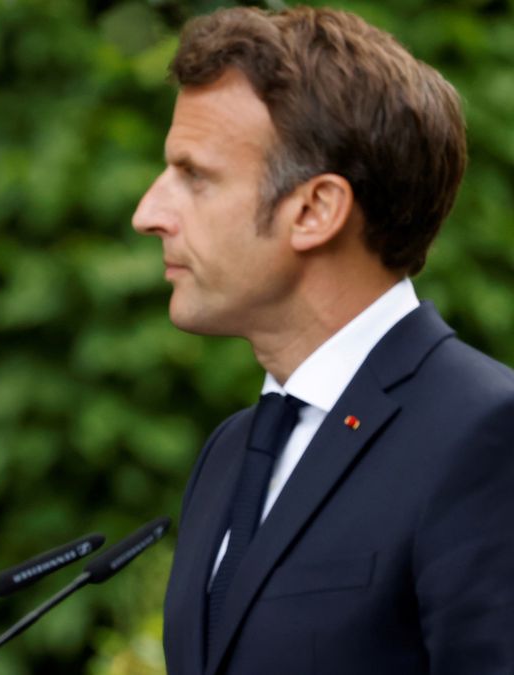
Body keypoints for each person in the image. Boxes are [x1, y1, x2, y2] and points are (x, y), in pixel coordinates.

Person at [132, 6, 514, 674]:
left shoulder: (488, 432)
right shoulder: (228, 453)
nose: (149, 213)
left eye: (195, 176)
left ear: (315, 210)